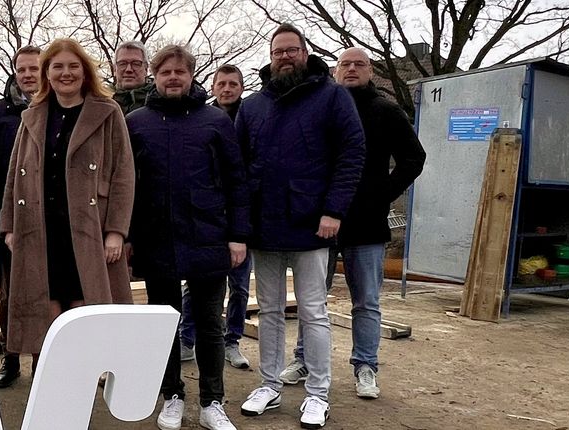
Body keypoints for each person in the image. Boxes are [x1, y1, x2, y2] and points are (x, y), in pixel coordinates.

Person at [235, 24, 366, 430]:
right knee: (271, 311)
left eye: (292, 50)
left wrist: (334, 210)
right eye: (278, 51)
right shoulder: (253, 105)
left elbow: (352, 153)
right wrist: (241, 224)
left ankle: (318, 393)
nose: (285, 57)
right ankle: (269, 385)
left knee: (313, 312)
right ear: (270, 57)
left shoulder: (332, 97)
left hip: (313, 225)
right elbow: (237, 166)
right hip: (264, 226)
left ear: (305, 54)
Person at [287, 47, 426, 400]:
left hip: (366, 222)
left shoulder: (386, 110)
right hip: (318, 222)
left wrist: (383, 192)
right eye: (344, 64)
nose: (351, 69)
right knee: (311, 298)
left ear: (370, 72)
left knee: (365, 300)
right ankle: (304, 359)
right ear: (335, 71)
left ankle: (365, 366)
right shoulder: (320, 107)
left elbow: (414, 157)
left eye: (359, 64)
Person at [127, 45, 248, 430]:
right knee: (163, 323)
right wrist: (127, 235)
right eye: (165, 72)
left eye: (180, 71)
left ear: (192, 74)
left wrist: (238, 235)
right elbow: (126, 185)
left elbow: (236, 181)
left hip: (208, 235)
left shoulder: (215, 120)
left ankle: (213, 401)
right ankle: (172, 395)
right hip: (155, 237)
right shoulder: (136, 122)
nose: (173, 78)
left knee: (210, 323)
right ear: (155, 75)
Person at [0, 38, 136, 367]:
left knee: (83, 311)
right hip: (40, 232)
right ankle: (48, 392)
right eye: (57, 66)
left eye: (73, 66)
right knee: (44, 312)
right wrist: (8, 228)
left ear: (85, 72)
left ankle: (81, 384)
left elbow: (123, 175)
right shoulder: (31, 116)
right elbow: (12, 177)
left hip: (88, 232)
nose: (66, 73)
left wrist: (116, 231)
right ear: (47, 73)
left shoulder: (108, 112)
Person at [177, 64, 255, 369]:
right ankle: (187, 339)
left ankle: (232, 340)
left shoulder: (250, 118)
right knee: (194, 287)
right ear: (212, 86)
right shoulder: (201, 119)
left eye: (233, 83)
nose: (227, 88)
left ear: (241, 87)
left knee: (239, 285)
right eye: (221, 83)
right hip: (205, 221)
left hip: (238, 218)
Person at [0, 45, 42, 389]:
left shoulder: (58, 107)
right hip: (10, 222)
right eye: (22, 69)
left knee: (45, 294)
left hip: (48, 221)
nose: (28, 75)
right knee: (10, 295)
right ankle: (9, 359)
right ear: (15, 72)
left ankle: (41, 361)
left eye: (34, 68)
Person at [111, 41, 156, 114]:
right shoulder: (101, 102)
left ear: (146, 69)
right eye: (122, 64)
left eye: (136, 64)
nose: (129, 69)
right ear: (114, 69)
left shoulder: (161, 103)